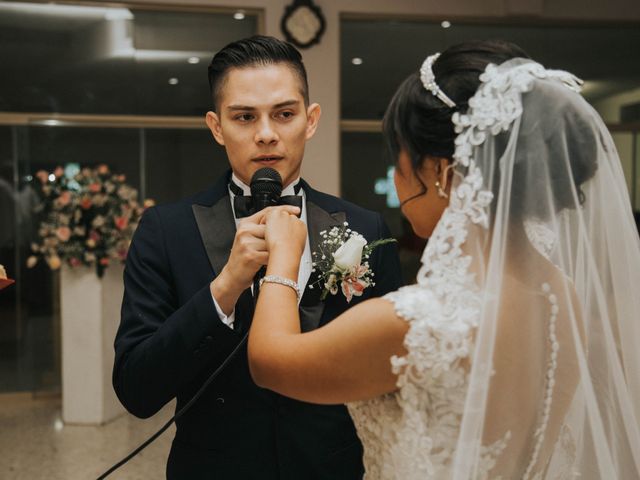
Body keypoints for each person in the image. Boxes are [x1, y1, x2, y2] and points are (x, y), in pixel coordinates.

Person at [248, 40, 640, 479]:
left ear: (440, 171)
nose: (396, 184)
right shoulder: (561, 295)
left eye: (398, 161)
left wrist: (283, 257)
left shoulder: (416, 322)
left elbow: (269, 362)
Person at [112, 35, 402, 479]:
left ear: (310, 119)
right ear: (216, 127)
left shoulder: (364, 229)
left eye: (284, 114)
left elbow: (392, 373)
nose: (266, 133)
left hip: (330, 467)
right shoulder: (165, 231)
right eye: (244, 117)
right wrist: (225, 287)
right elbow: (136, 389)